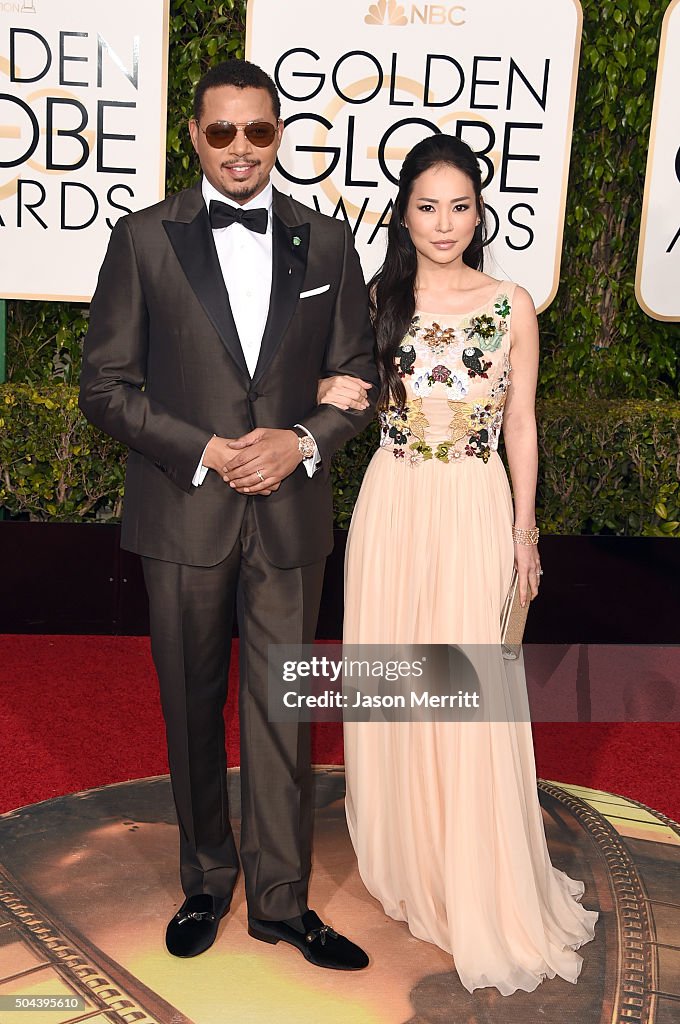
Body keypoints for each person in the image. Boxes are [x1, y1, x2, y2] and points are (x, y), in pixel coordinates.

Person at [79, 59, 377, 968]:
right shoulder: (142, 239)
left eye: (257, 131)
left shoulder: (327, 243)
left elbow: (361, 376)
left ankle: (283, 901)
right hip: (184, 510)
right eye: (221, 133)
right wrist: (205, 449)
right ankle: (206, 880)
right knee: (190, 703)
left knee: (285, 708)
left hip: (289, 513)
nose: (240, 149)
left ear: (277, 134)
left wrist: (302, 439)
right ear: (195, 137)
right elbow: (104, 386)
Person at [320, 134, 598, 994]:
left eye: (461, 206)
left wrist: (525, 533)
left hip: (475, 510)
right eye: (427, 206)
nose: (445, 223)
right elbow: (345, 394)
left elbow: (521, 426)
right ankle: (414, 855)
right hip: (393, 508)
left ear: (481, 213)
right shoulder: (376, 299)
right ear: (404, 215)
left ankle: (475, 871)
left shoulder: (513, 303)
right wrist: (328, 394)